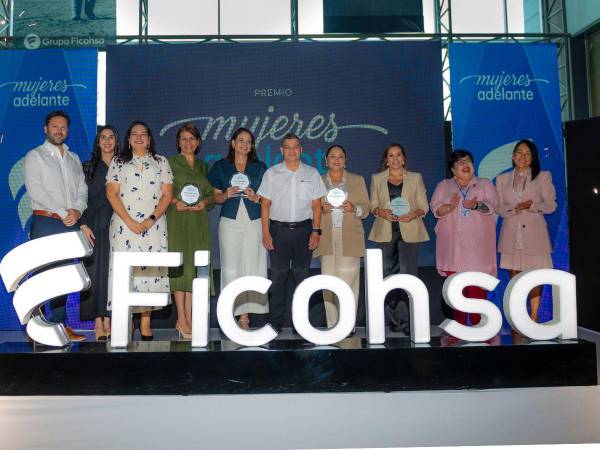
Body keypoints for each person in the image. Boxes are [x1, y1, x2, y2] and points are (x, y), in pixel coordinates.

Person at [24, 110, 87, 342]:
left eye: (63, 127)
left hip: (70, 223)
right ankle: (37, 329)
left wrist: (77, 211)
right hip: (46, 222)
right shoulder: (35, 156)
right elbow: (36, 191)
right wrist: (63, 213)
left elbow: (82, 189)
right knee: (43, 278)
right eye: (55, 126)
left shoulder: (74, 158)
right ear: (45, 129)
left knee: (63, 278)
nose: (59, 131)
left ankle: (60, 326)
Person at [106, 121, 173, 341]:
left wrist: (151, 219)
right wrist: (130, 221)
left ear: (150, 138)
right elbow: (112, 194)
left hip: (153, 226)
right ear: (127, 139)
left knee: (148, 271)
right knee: (126, 273)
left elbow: (167, 195)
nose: (139, 137)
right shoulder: (118, 161)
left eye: (143, 134)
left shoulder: (161, 162)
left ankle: (145, 321)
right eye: (134, 134)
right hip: (124, 225)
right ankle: (125, 321)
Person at [257, 133, 327, 333]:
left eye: (295, 147)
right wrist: (265, 233)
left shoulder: (312, 173)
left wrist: (316, 231)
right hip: (278, 230)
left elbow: (316, 206)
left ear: (301, 149)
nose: (291, 151)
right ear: (281, 150)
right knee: (278, 277)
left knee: (301, 277)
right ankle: (276, 324)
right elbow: (265, 205)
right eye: (287, 147)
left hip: (305, 230)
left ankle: (301, 324)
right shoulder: (271, 173)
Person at [208, 127, 268, 330]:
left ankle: (245, 316)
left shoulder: (260, 167)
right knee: (230, 267)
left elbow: (266, 198)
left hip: (254, 221)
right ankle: (229, 312)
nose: (244, 145)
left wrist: (256, 198)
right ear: (233, 143)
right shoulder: (220, 166)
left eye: (248, 141)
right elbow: (215, 197)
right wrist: (224, 195)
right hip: (229, 222)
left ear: (252, 146)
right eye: (240, 140)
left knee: (252, 265)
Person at [430, 150, 498, 326]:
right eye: (460, 162)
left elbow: (492, 206)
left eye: (468, 161)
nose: (465, 164)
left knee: (476, 291)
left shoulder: (484, 184)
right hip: (453, 248)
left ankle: (480, 330)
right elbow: (436, 209)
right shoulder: (444, 185)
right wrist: (449, 207)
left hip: (477, 248)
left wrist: (475, 205)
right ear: (453, 169)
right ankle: (459, 331)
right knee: (456, 293)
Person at [368, 143, 430, 334]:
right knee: (388, 277)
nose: (394, 159)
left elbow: (424, 206)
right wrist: (381, 212)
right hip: (386, 233)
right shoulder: (377, 178)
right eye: (390, 155)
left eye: (398, 155)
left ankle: (410, 323)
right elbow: (373, 205)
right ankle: (395, 323)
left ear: (403, 158)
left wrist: (413, 214)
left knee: (409, 276)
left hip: (409, 232)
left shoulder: (415, 178)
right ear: (386, 160)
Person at [496, 139, 556, 322]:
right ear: (513, 156)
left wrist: (531, 206)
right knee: (515, 278)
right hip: (511, 235)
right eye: (519, 153)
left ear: (533, 158)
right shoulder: (501, 179)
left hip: (535, 235)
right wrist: (514, 208)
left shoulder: (543, 176)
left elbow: (551, 206)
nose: (523, 157)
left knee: (535, 277)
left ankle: (534, 316)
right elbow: (498, 208)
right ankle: (518, 317)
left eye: (528, 153)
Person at [167, 123, 214, 339]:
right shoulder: (169, 164)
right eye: (184, 139)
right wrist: (175, 202)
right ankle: (181, 319)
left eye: (192, 139)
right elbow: (163, 192)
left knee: (195, 269)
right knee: (181, 268)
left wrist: (205, 203)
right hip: (178, 220)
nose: (188, 143)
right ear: (178, 143)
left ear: (198, 142)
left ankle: (191, 318)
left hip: (198, 221)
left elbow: (212, 195)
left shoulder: (204, 167)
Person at [314, 144, 369, 328]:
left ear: (346, 161)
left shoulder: (357, 180)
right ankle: (332, 326)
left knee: (349, 281)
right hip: (326, 236)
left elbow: (366, 209)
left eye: (340, 157)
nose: (336, 160)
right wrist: (320, 209)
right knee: (328, 281)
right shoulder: (318, 181)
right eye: (332, 156)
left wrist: (355, 208)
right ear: (326, 160)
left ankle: (347, 325)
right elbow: (309, 210)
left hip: (350, 234)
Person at [79, 125, 118, 341]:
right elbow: (78, 198)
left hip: (117, 224)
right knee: (94, 272)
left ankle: (111, 319)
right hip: (92, 225)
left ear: (117, 141)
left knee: (112, 273)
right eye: (103, 137)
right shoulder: (87, 167)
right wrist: (83, 224)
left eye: (111, 137)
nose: (107, 141)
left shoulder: (123, 166)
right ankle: (97, 321)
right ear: (98, 142)